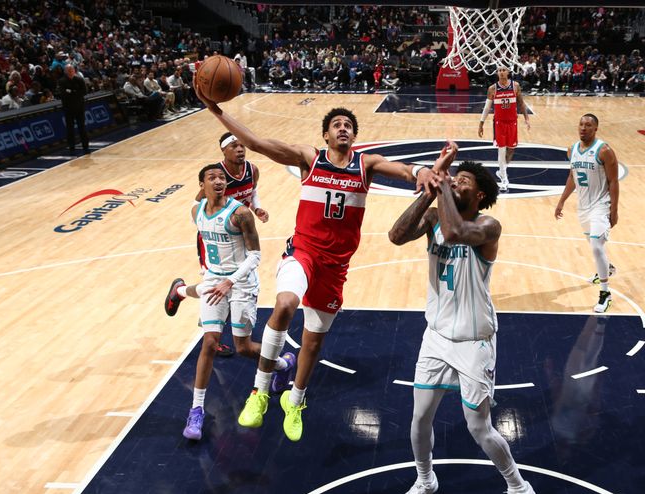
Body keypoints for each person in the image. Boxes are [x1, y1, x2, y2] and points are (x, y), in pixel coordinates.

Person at [196, 83, 444, 442]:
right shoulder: (309, 158)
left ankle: (295, 401)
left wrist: (421, 171)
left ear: (354, 135)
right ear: (325, 134)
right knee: (284, 303)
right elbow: (256, 143)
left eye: (348, 125)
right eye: (336, 124)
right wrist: (215, 109)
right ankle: (260, 392)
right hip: (304, 251)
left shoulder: (366, 163)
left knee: (312, 343)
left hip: (335, 265)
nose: (343, 128)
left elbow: (405, 171)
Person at [388, 144, 537, 494]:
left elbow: (454, 232)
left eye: (463, 180)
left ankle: (520, 489)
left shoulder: (488, 227)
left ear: (480, 194)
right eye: (454, 177)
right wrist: (429, 190)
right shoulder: (436, 215)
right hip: (436, 336)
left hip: (475, 341)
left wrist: (439, 184)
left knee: (478, 427)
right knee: (419, 418)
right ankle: (425, 479)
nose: (454, 180)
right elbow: (396, 234)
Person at [179, 163, 274, 441]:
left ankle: (279, 363)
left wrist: (230, 280)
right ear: (202, 185)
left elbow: (255, 256)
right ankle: (196, 410)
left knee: (243, 348)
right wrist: (211, 275)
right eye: (212, 178)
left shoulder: (241, 214)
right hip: (213, 281)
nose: (219, 181)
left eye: (222, 177)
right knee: (209, 342)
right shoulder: (196, 211)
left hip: (241, 283)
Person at [166, 132, 270, 357]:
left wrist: (256, 208)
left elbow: (252, 191)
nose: (240, 149)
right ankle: (211, 335)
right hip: (213, 235)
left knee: (226, 285)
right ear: (224, 151)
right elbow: (196, 203)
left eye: (242, 145)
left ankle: (181, 291)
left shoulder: (252, 170)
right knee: (214, 285)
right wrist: (205, 223)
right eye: (234, 146)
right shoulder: (215, 175)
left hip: (236, 231)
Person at [554, 114, 619, 313]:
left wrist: (614, 210)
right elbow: (572, 177)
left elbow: (614, 181)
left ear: (596, 129)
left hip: (601, 204)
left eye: (588, 125)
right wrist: (562, 201)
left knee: (596, 247)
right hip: (583, 207)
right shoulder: (571, 150)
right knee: (593, 243)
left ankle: (605, 294)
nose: (583, 128)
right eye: (581, 124)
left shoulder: (604, 151)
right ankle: (607, 268)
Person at [478, 66, 530, 191]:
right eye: (499, 70)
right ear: (497, 73)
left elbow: (521, 103)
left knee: (511, 149)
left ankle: (502, 170)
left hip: (512, 122)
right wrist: (481, 123)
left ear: (508, 72)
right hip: (499, 123)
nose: (501, 72)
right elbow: (486, 108)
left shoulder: (515, 86)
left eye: (503, 70)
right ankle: (504, 179)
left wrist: (526, 118)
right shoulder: (492, 88)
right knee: (501, 150)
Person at [58, 64, 89, 152]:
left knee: (82, 127)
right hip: (68, 108)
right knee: (70, 128)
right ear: (66, 72)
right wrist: (76, 92)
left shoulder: (79, 79)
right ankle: (72, 146)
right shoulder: (62, 81)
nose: (71, 72)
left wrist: (72, 92)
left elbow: (84, 91)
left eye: (72, 70)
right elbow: (63, 94)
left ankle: (85, 146)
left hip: (79, 107)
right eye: (69, 70)